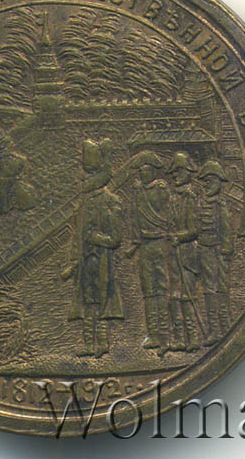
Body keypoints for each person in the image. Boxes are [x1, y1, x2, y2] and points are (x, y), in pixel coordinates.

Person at [63, 138, 123, 358]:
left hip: (101, 261)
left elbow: (115, 239)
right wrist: (73, 262)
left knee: (101, 302)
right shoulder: (84, 203)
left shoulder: (110, 202)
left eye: (88, 175)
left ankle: (103, 344)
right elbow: (77, 237)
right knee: (88, 302)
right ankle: (89, 344)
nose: (83, 179)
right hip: (85, 262)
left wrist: (95, 238)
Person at [127, 150, 170, 357]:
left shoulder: (161, 190)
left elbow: (168, 212)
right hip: (144, 244)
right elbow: (135, 219)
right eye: (141, 171)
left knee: (161, 289)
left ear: (153, 172)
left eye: (146, 170)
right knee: (148, 291)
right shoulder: (139, 192)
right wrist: (135, 242)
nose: (142, 174)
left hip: (160, 242)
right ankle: (153, 334)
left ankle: (165, 334)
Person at [197, 159, 234, 346]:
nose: (206, 184)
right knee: (209, 289)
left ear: (218, 181)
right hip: (205, 250)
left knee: (222, 288)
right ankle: (213, 330)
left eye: (209, 180)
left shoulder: (221, 204)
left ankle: (226, 326)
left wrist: (226, 248)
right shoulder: (201, 203)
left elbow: (226, 228)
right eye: (205, 181)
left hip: (218, 250)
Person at [167, 151, 201, 352]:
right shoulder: (173, 197)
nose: (175, 175)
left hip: (187, 253)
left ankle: (193, 338)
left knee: (187, 297)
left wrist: (179, 237)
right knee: (174, 296)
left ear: (188, 172)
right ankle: (179, 339)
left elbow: (194, 229)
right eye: (174, 171)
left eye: (178, 170)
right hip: (173, 254)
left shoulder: (190, 197)